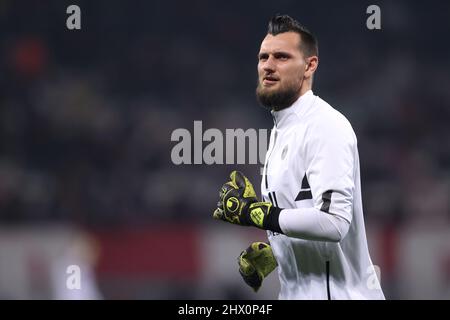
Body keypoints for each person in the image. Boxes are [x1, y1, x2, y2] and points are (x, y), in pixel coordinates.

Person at [213, 14, 385, 300]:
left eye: (281, 57)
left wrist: (256, 214)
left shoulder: (326, 125)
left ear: (309, 65)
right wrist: (277, 254)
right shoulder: (283, 131)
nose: (268, 65)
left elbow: (334, 223)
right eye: (263, 57)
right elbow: (299, 216)